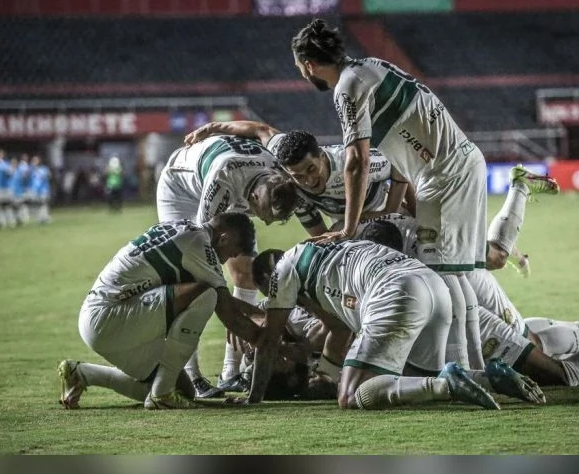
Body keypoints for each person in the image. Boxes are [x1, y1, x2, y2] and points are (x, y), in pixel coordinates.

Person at [291, 18, 488, 371]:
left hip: (443, 175)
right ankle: (474, 366)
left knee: (443, 275)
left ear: (309, 65)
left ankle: (466, 369)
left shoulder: (347, 88)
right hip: (459, 162)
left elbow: (356, 159)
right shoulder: (372, 66)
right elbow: (399, 143)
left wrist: (349, 227)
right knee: (456, 275)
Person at [358, 220, 579, 388]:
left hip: (474, 325)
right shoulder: (398, 257)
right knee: (534, 346)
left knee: (558, 372)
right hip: (465, 320)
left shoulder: (406, 271)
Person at [248, 239, 547, 410]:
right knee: (412, 376)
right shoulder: (324, 257)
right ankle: (490, 378)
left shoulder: (282, 272)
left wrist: (253, 399)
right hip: (432, 285)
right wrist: (326, 372)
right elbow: (338, 329)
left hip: (393, 291)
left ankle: (447, 386)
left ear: (268, 282)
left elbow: (269, 339)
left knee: (351, 396)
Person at [56, 213, 264, 410]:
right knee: (206, 295)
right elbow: (226, 309)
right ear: (224, 238)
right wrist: (270, 343)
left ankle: (82, 374)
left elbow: (227, 302)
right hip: (110, 318)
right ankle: (162, 395)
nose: (228, 259)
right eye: (232, 253)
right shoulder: (198, 244)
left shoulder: (182, 228)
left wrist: (258, 312)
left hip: (100, 317)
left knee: (183, 390)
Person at [155, 133, 301, 396]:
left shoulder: (278, 175)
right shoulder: (223, 179)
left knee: (245, 271)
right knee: (191, 281)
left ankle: (230, 373)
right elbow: (202, 247)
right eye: (263, 215)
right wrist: (236, 316)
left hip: (233, 183)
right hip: (180, 190)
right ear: (254, 198)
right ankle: (192, 376)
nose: (265, 223)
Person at [183, 121, 410, 236]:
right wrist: (211, 128)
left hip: (382, 208)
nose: (308, 180)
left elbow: (400, 163)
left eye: (312, 169)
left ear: (321, 156)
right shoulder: (291, 181)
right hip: (346, 223)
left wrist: (388, 210)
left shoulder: (351, 164)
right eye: (298, 175)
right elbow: (262, 131)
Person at [28, 156, 52, 224]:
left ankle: (45, 217)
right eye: (34, 160)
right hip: (35, 190)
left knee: (43, 203)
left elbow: (49, 176)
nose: (35, 162)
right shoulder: (31, 169)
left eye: (36, 160)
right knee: (37, 205)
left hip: (43, 189)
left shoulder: (44, 168)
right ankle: (40, 218)